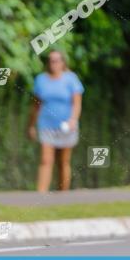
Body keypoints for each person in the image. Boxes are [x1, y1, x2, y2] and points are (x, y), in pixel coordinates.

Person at [27, 49, 84, 192]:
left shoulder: (71, 79)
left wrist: (73, 120)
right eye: (51, 60)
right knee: (46, 160)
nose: (53, 63)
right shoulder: (41, 79)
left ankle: (62, 195)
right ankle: (41, 195)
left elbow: (77, 103)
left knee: (63, 162)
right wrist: (31, 125)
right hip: (46, 126)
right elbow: (36, 106)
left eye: (56, 60)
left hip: (67, 126)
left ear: (63, 62)